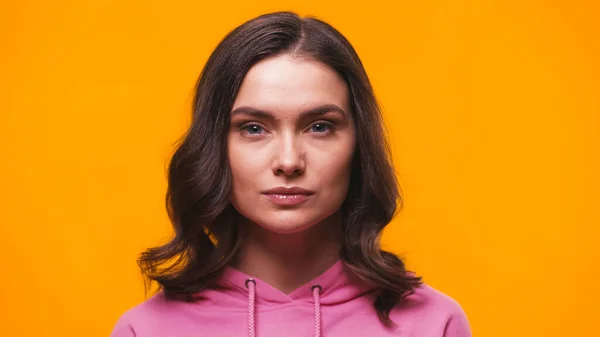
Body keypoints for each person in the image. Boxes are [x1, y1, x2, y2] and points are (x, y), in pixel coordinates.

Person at [110, 11, 471, 337]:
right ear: (215, 146)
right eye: (253, 128)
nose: (288, 161)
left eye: (319, 127)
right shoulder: (145, 330)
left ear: (359, 145)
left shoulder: (434, 324)